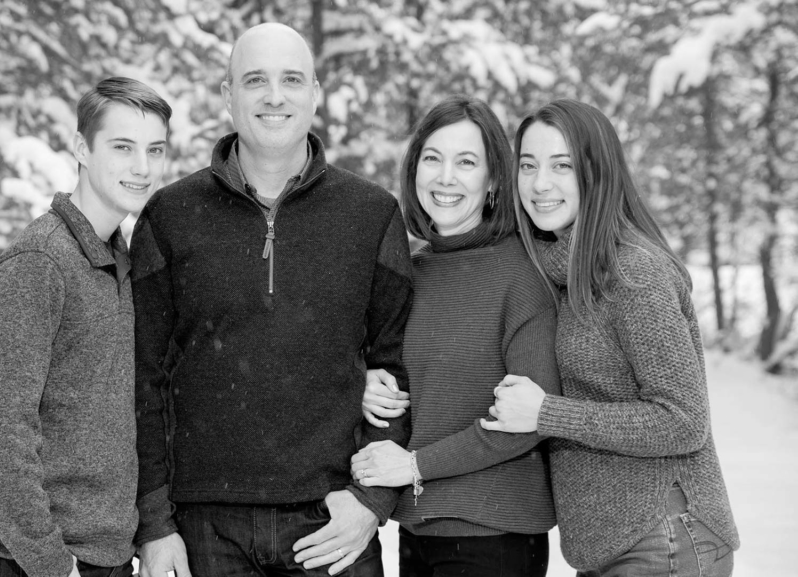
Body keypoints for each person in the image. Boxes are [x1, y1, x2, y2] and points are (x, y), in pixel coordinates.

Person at [131, 22, 414, 577]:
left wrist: (370, 503)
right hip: (202, 524)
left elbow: (396, 369)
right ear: (227, 95)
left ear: (315, 94)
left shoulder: (370, 214)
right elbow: (143, 378)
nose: (274, 96)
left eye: (291, 79)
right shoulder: (170, 216)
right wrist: (155, 523)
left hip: (331, 521)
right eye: (255, 79)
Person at [482, 99, 740, 576]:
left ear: (596, 173)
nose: (540, 184)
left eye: (562, 166)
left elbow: (683, 421)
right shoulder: (553, 267)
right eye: (528, 165)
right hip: (612, 545)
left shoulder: (633, 273)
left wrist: (547, 414)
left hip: (664, 538)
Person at [0, 77, 172, 577]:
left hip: (103, 554)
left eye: (155, 150)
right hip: (37, 559)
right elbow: (0, 429)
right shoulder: (40, 262)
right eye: (123, 147)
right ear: (81, 147)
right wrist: (51, 564)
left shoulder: (119, 258)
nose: (142, 167)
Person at [354, 96, 560, 577]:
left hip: (493, 537)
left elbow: (526, 421)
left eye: (466, 162)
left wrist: (415, 466)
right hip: (419, 532)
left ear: (492, 181)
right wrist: (363, 383)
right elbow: (402, 373)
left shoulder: (521, 275)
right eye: (433, 158)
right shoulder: (411, 270)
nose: (445, 178)